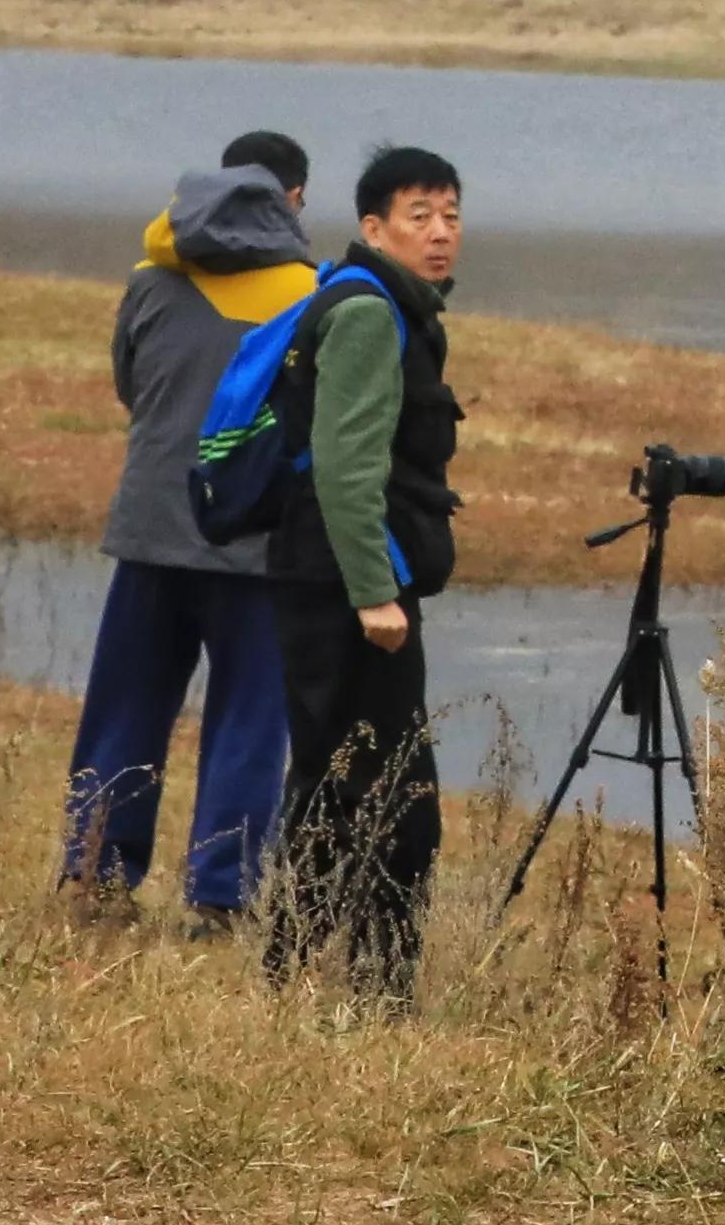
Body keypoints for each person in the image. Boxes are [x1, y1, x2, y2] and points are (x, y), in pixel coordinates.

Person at [60, 131, 314, 922]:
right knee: (248, 721)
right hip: (255, 540)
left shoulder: (151, 277)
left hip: (150, 527)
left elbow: (133, 386)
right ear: (294, 199)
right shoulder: (314, 289)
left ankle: (96, 875)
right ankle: (220, 898)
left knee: (126, 706)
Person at [264, 144, 465, 1000]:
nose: (441, 233)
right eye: (419, 217)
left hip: (336, 580)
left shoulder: (392, 308)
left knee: (339, 781)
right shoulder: (367, 316)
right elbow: (345, 464)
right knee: (388, 797)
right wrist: (374, 596)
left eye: (452, 215)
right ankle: (361, 985)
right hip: (347, 590)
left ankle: (304, 971)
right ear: (373, 228)